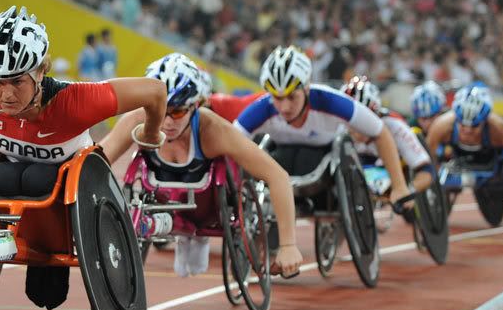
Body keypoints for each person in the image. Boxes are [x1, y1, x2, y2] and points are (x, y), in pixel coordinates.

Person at [0, 5, 167, 310]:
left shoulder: (77, 102)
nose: (6, 94)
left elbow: (155, 91)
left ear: (41, 71)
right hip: (9, 177)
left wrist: (152, 134)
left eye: (18, 82)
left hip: (68, 191)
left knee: (36, 178)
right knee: (3, 176)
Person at [100, 53, 303, 279]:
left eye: (177, 112)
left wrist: (288, 245)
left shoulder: (212, 130)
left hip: (209, 209)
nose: (167, 121)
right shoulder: (137, 120)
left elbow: (277, 175)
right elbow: (97, 161)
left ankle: (194, 238)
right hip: (165, 207)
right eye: (158, 109)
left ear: (196, 105)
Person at [234, 46, 412, 210]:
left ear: (306, 88)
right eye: (277, 98)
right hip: (281, 162)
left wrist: (399, 186)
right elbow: (230, 140)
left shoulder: (332, 101)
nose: (284, 107)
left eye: (292, 97)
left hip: (324, 165)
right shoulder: (262, 108)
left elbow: (380, 132)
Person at [425, 82, 503, 215]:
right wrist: (430, 187)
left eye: (474, 126)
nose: (467, 130)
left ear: (485, 121)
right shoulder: (441, 126)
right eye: (462, 125)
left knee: (500, 192)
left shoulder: (500, 129)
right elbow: (427, 158)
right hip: (459, 156)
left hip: (492, 158)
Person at [341, 75, 434, 194]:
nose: (359, 127)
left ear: (376, 115)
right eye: (352, 121)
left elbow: (426, 170)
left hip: (397, 165)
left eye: (364, 120)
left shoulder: (395, 126)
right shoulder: (338, 127)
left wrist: (407, 192)